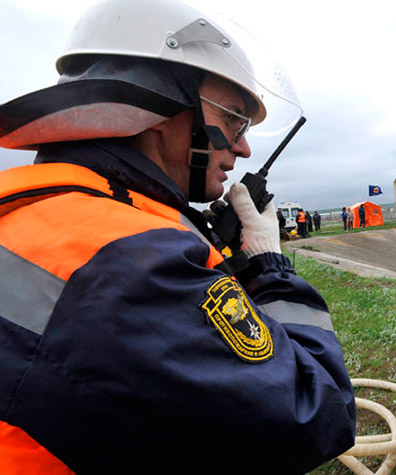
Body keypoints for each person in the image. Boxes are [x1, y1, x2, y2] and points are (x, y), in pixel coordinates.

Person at [0, 0, 356, 472]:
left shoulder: (38, 210)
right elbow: (316, 412)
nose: (244, 147)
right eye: (233, 119)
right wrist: (269, 264)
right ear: (160, 107)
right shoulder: (133, 258)